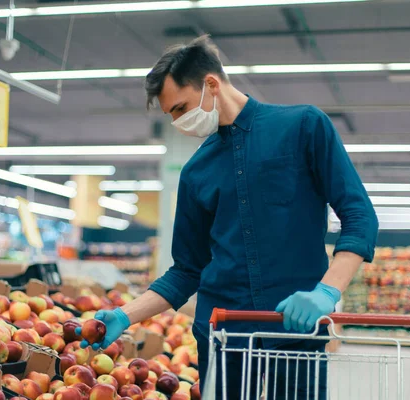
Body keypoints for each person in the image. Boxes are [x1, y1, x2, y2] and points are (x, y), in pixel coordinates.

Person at [77, 36, 378, 399]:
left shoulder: (303, 128)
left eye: (180, 108)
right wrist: (126, 314)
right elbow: (187, 270)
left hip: (297, 333)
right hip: (222, 338)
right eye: (171, 113)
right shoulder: (195, 171)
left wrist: (327, 291)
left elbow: (359, 216)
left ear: (211, 84)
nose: (177, 121)